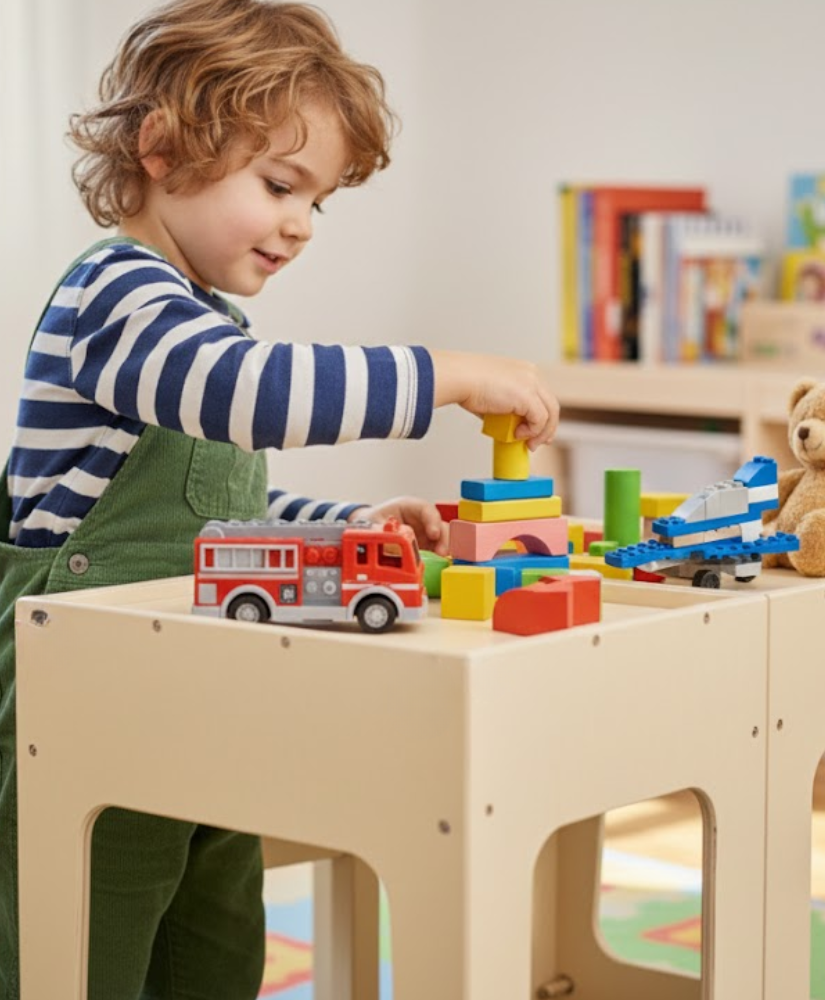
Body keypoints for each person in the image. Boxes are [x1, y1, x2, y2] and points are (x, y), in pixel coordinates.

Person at [0, 0, 559, 995]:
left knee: (214, 936)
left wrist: (345, 524)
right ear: (162, 148)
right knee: (86, 937)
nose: (300, 224)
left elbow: (213, 514)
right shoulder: (120, 298)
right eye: (279, 184)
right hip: (84, 695)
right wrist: (445, 372)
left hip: (198, 689)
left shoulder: (197, 319)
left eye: (318, 201)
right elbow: (248, 400)